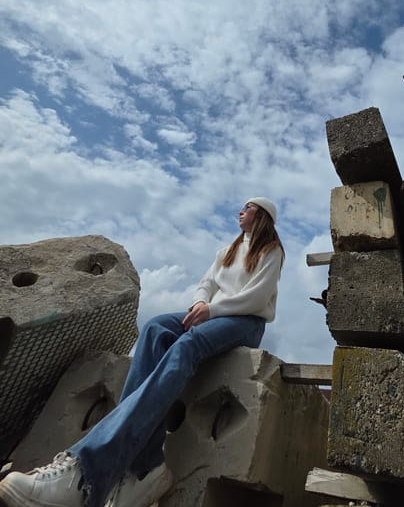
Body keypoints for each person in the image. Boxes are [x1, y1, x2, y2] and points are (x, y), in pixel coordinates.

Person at [0, 197, 284, 507]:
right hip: (212, 312)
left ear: (263, 215)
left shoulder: (271, 251)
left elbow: (256, 298)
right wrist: (198, 304)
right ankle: (143, 468)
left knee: (187, 344)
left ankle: (87, 472)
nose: (241, 211)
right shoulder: (225, 252)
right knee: (155, 329)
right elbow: (205, 284)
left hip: (245, 321)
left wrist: (212, 310)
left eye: (248, 207)